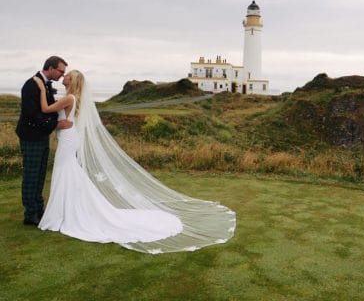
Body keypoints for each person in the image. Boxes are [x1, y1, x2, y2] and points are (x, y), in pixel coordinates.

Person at [32, 70, 236, 253]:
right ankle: (67, 209)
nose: (64, 76)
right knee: (68, 173)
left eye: (68, 75)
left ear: (73, 80)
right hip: (68, 137)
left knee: (64, 171)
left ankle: (64, 212)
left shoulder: (69, 97)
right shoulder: (73, 97)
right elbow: (62, 118)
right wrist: (60, 122)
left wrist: (41, 89)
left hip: (67, 140)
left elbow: (46, 108)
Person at [16, 56, 72, 225]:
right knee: (32, 174)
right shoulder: (32, 84)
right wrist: (56, 124)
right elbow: (32, 113)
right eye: (61, 71)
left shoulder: (44, 84)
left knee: (40, 174)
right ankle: (30, 214)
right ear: (50, 67)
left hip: (41, 135)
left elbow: (48, 108)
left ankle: (38, 209)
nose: (62, 75)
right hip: (31, 135)